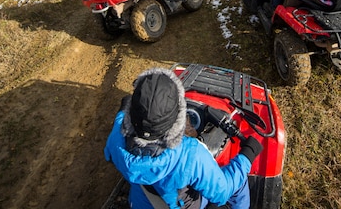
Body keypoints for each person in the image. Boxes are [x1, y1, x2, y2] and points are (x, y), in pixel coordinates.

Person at [104, 67, 262, 209]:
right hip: (180, 205)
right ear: (179, 115)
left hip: (141, 202)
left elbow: (109, 153)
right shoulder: (191, 155)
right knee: (238, 181)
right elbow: (222, 192)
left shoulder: (117, 135)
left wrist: (124, 110)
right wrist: (247, 156)